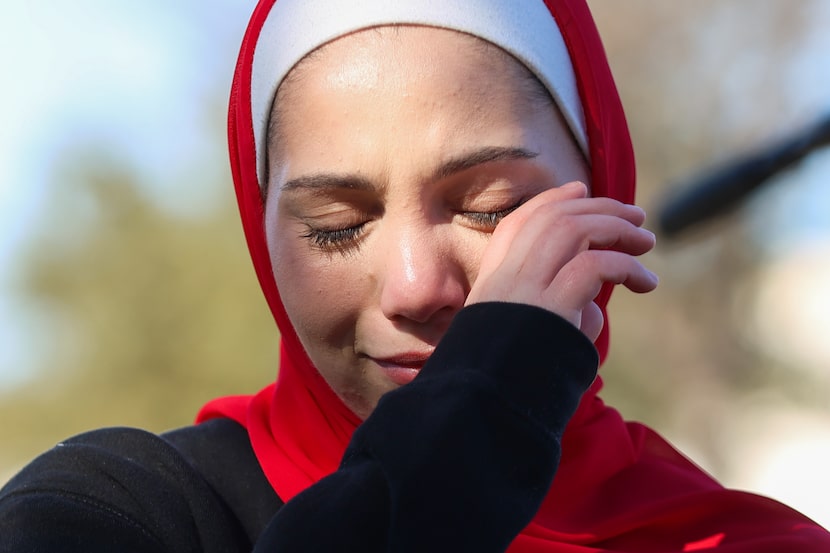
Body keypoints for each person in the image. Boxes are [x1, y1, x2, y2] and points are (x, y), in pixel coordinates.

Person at [1, 0, 828, 551]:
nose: (414, 285)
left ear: (603, 185)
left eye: (488, 206)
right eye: (338, 226)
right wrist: (473, 426)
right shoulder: (112, 513)